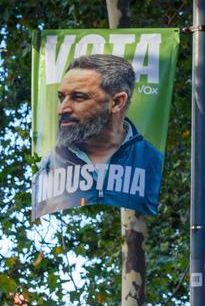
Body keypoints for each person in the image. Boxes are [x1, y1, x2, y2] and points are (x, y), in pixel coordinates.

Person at [32, 54, 164, 220]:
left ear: (117, 102)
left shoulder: (153, 162)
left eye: (78, 97)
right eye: (61, 97)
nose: (62, 109)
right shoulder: (45, 168)